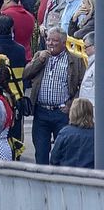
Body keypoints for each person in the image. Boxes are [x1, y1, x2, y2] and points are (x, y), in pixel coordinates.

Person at [26, 25, 85, 165]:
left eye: (54, 41)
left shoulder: (75, 60)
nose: (50, 43)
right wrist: (38, 61)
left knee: (62, 153)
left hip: (61, 113)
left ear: (64, 43)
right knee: (41, 153)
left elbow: (83, 84)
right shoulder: (40, 56)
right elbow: (26, 75)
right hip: (41, 112)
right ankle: (41, 183)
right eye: (48, 40)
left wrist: (71, 104)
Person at [48, 98, 96, 169]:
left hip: (67, 174)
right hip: (91, 175)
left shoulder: (65, 132)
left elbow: (54, 158)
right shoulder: (97, 134)